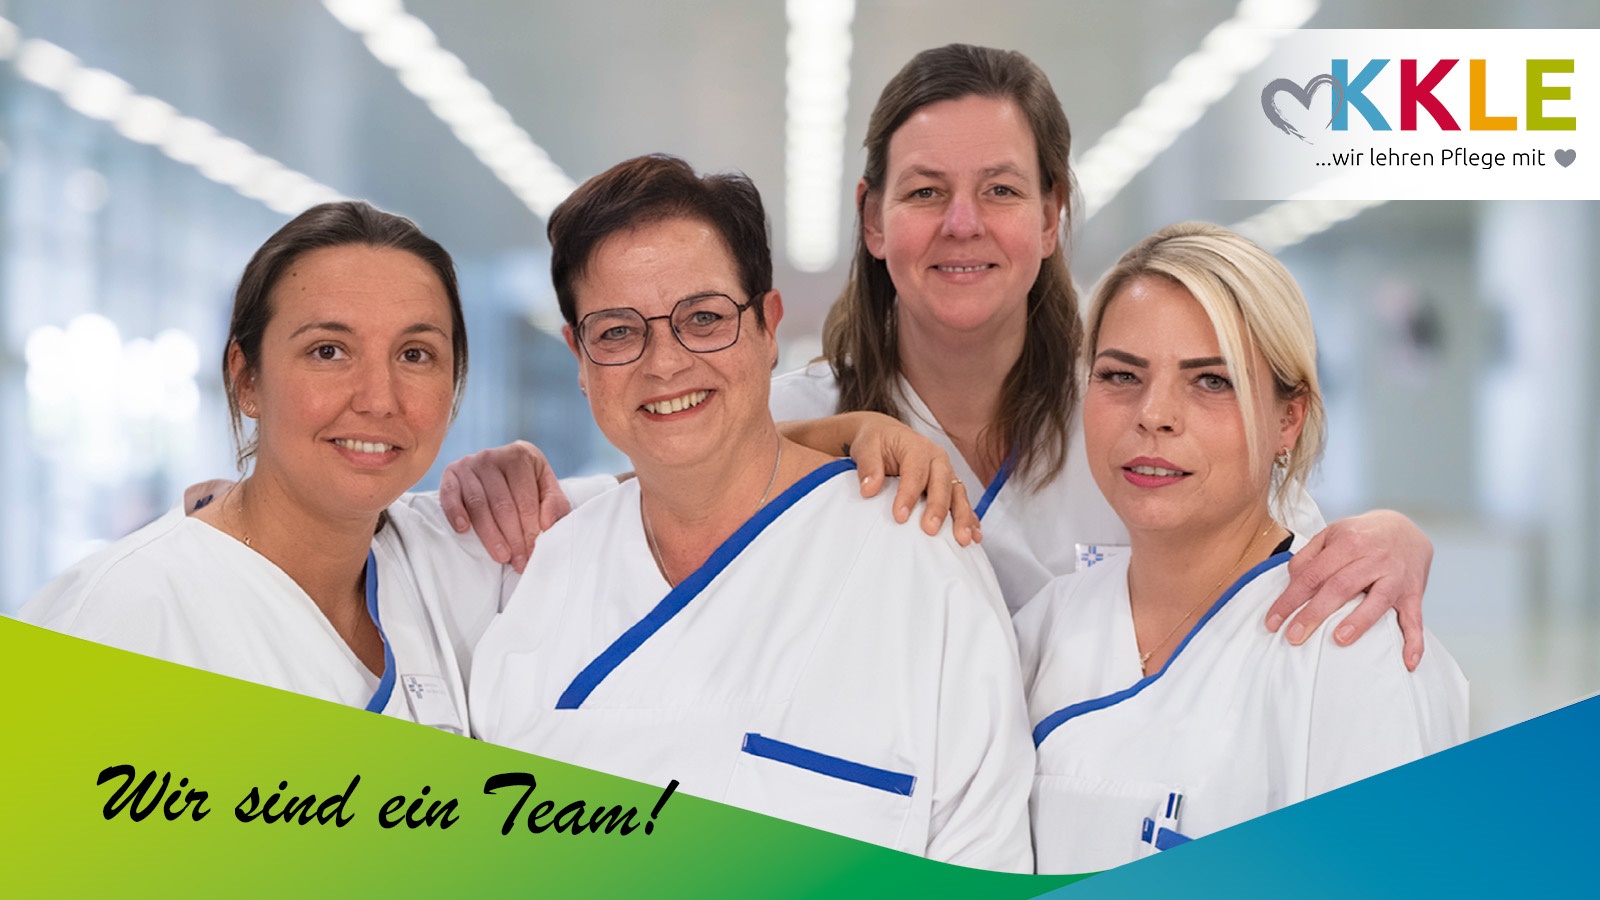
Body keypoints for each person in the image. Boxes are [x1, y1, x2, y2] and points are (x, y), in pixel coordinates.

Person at [441, 44, 1436, 669]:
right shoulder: (787, 415)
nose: (963, 224)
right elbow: (647, 496)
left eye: (1000, 190)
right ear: (873, 219)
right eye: (924, 192)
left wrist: (1391, 536)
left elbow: (1291, 552)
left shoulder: (1131, 416)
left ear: (1051, 216)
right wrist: (509, 478)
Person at [469, 154, 1034, 871]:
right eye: (616, 332)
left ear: (768, 328)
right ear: (578, 358)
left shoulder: (918, 562)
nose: (664, 363)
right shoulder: (539, 573)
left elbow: (983, 859)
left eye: (703, 318)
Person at [1017, 223, 1467, 873]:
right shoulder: (1041, 630)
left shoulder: (1355, 653)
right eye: (1120, 374)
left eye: (1211, 381)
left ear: (1289, 418)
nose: (1154, 414)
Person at [20, 201, 500, 734]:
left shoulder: (454, 561)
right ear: (247, 379)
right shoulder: (123, 612)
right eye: (328, 351)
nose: (379, 400)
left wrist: (517, 469)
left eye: (415, 354)